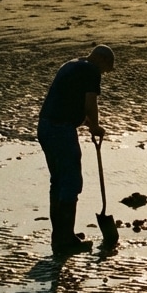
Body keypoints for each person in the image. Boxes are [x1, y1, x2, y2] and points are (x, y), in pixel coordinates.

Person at [37, 44, 115, 256]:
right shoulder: (91, 70)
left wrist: (89, 124)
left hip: (44, 126)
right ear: (102, 60)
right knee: (71, 182)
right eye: (106, 69)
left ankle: (60, 236)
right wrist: (96, 126)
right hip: (60, 129)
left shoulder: (72, 65)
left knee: (58, 182)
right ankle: (65, 240)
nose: (103, 74)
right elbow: (90, 103)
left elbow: (72, 100)